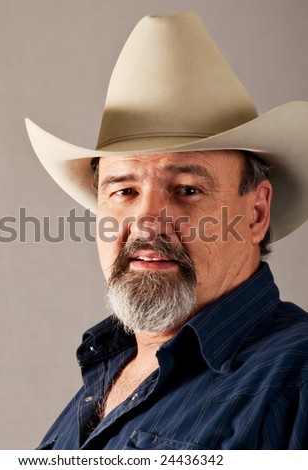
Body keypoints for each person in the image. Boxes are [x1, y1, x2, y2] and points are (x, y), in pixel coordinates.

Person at [25, 12, 308, 449]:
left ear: (255, 213)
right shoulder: (109, 372)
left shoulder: (297, 378)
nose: (147, 220)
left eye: (187, 189)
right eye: (124, 190)